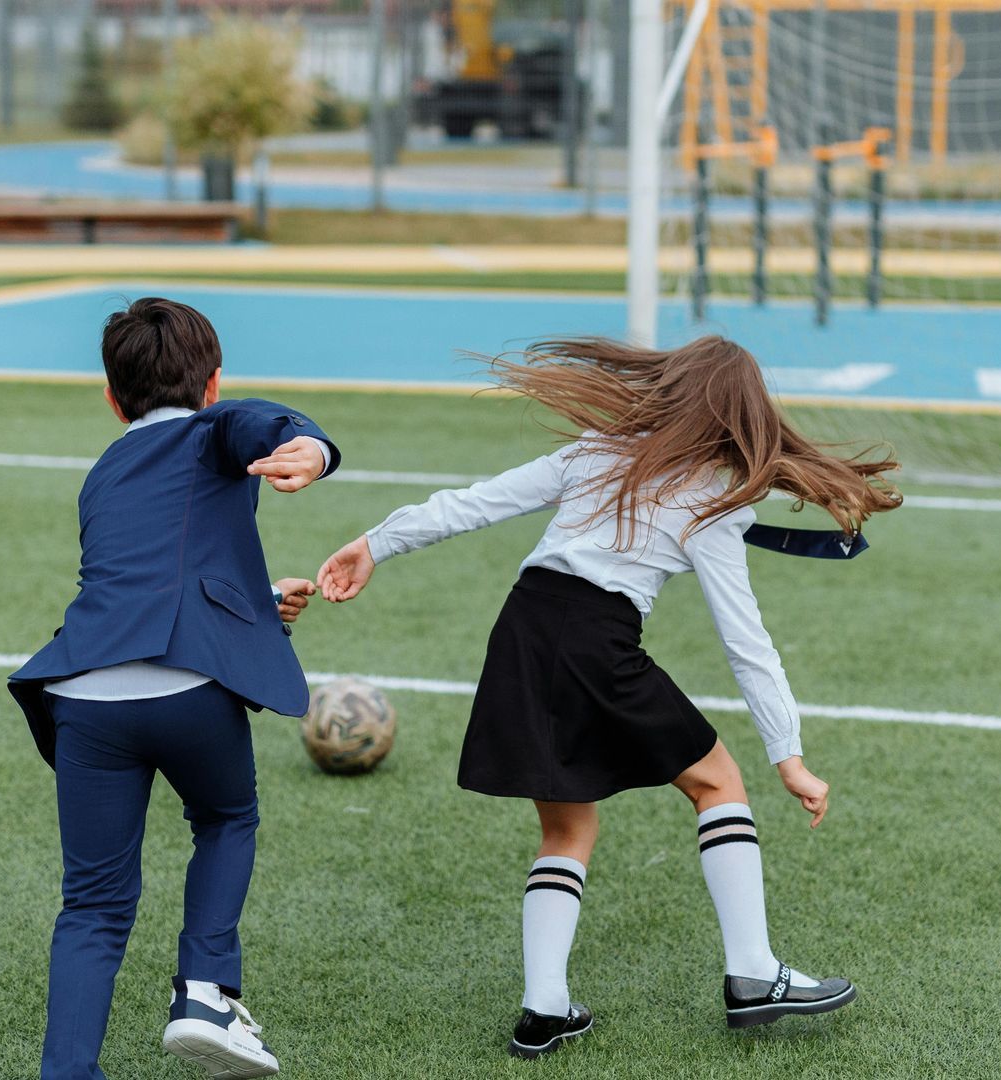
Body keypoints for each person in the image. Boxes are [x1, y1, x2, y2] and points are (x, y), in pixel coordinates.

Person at [317, 335, 901, 1059]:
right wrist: (790, 756)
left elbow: (475, 503)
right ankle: (753, 974)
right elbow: (747, 644)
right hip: (597, 639)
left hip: (523, 630)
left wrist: (375, 542)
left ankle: (544, 1009)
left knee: (567, 829)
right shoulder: (710, 501)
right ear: (740, 417)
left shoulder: (600, 449)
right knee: (718, 780)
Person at [9, 297, 340, 1080]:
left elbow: (155, 580)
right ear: (215, 383)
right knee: (227, 818)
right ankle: (204, 991)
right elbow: (258, 424)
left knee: (91, 904)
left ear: (110, 396)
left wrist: (259, 609)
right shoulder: (216, 429)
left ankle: (66, 1072)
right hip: (188, 692)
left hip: (84, 700)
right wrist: (311, 450)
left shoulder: (102, 475)